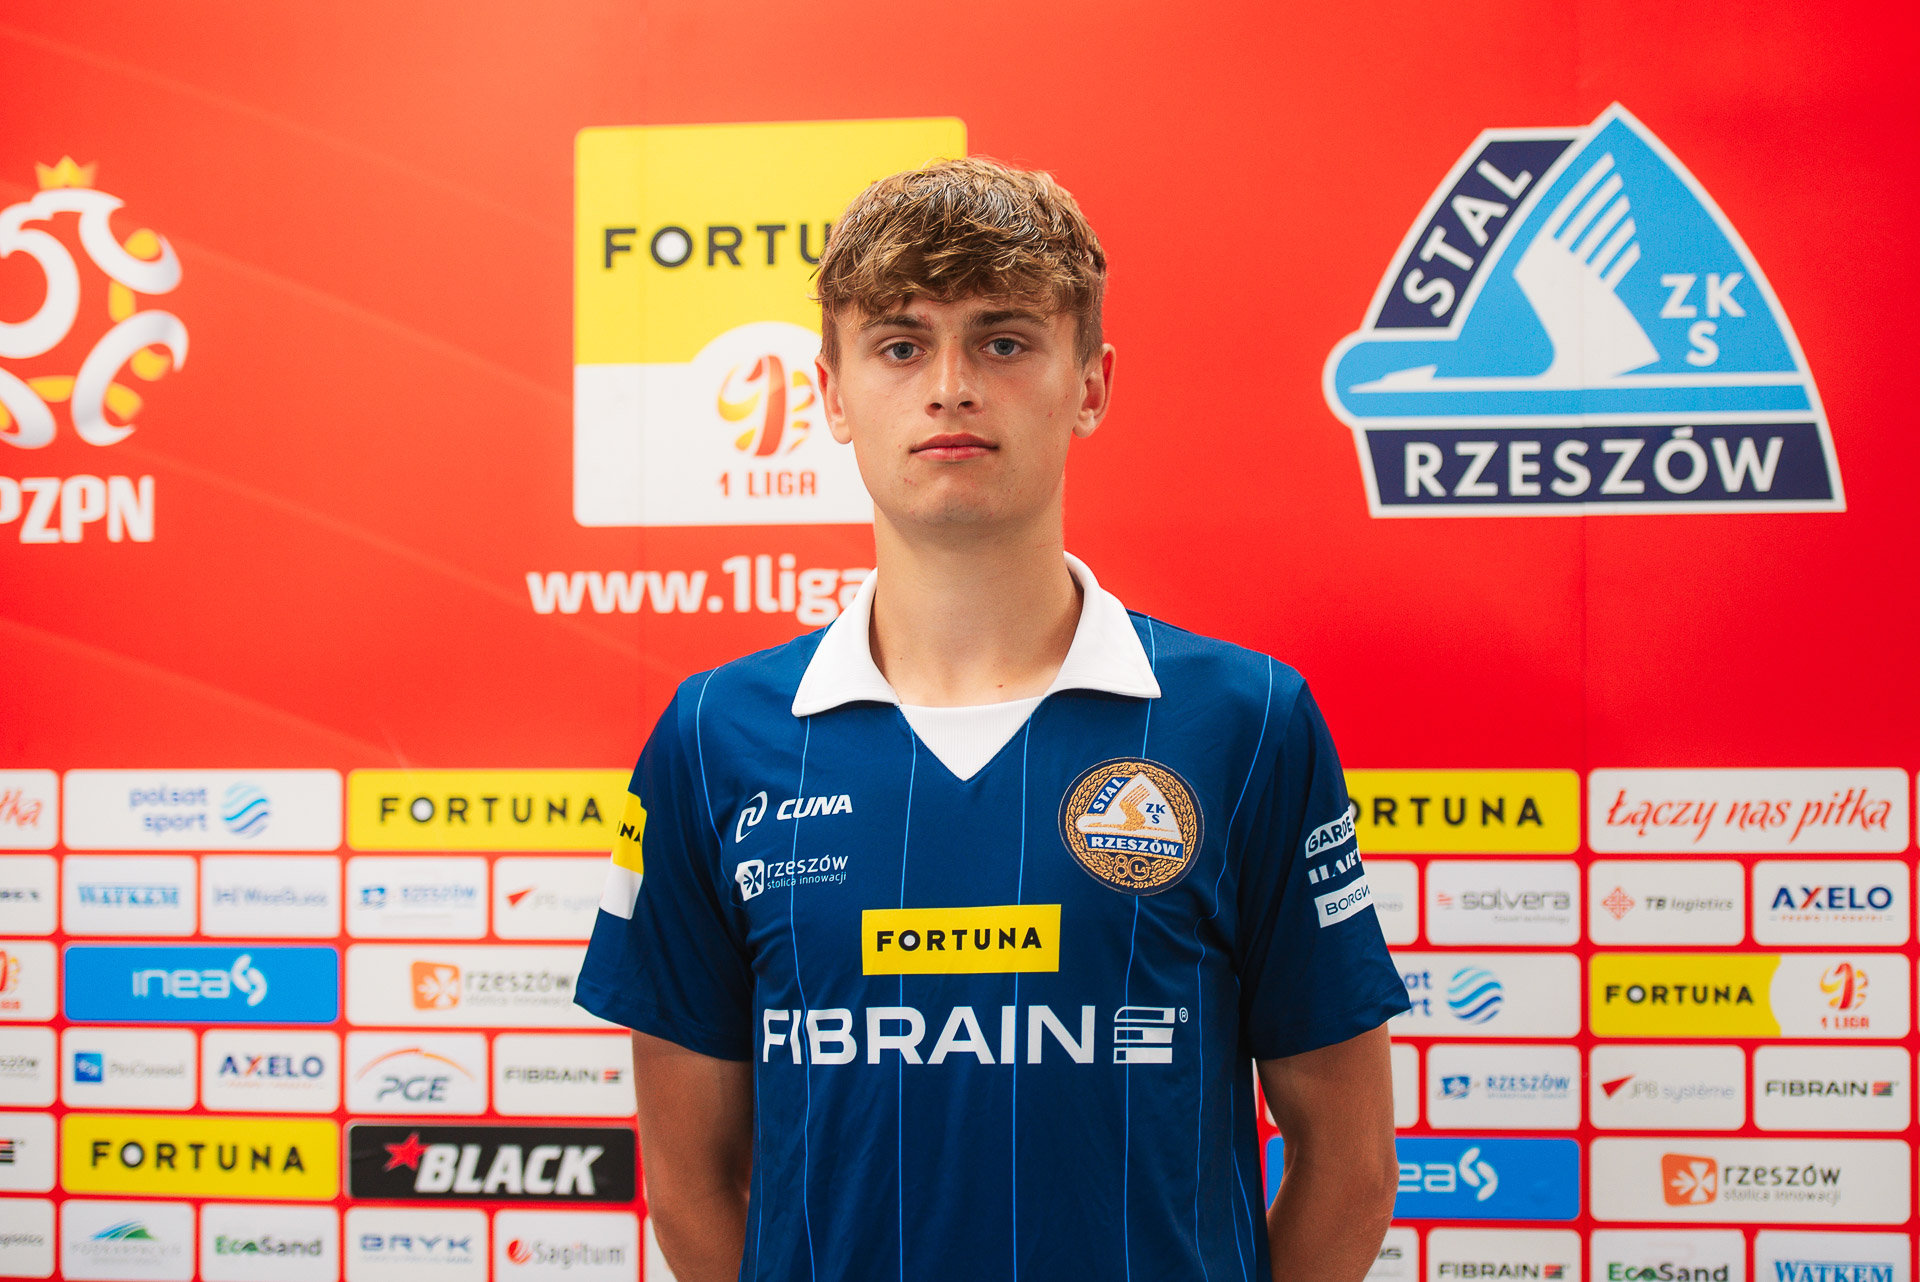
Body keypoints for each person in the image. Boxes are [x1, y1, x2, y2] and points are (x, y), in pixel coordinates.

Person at [575, 156, 1408, 1282]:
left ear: (1091, 385)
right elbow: (692, 1180)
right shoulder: (715, 734)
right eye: (900, 345)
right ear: (832, 394)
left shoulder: (1247, 722)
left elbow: (1349, 1166)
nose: (951, 386)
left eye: (1004, 341)